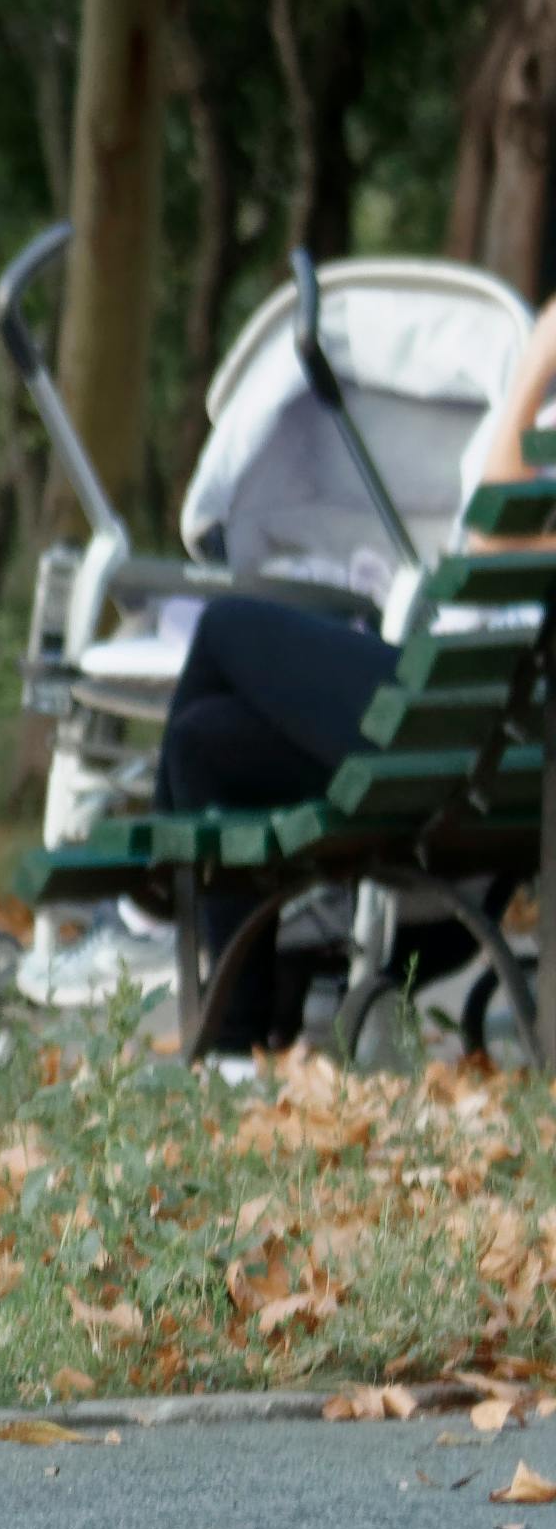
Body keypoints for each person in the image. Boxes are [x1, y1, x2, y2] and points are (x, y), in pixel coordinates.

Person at [145, 291, 556, 1055]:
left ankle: (151, 894)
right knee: (205, 744)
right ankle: (233, 1050)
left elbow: (493, 536)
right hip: (482, 727)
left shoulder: (544, 393)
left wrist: (536, 360)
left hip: (467, 726)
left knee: (231, 626)